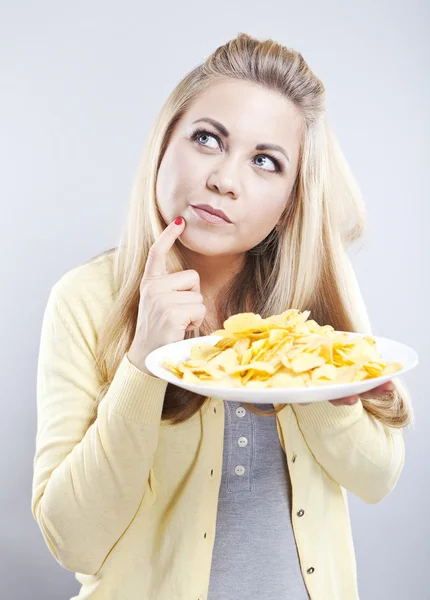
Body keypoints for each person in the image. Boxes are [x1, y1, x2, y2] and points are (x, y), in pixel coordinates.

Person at [31, 32, 413, 600]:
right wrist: (143, 362)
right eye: (207, 139)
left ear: (290, 203)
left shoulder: (315, 301)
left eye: (265, 161)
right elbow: (74, 542)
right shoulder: (85, 299)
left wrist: (327, 393)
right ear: (164, 143)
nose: (224, 180)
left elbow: (377, 479)